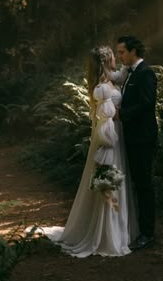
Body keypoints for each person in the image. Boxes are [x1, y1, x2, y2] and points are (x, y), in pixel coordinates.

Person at [41, 46, 138, 257]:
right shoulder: (102, 88)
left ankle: (120, 229)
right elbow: (105, 119)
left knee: (115, 182)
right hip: (109, 139)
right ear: (106, 61)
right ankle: (107, 233)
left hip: (116, 135)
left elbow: (122, 76)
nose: (116, 59)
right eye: (113, 56)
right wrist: (108, 143)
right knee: (110, 181)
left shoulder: (109, 82)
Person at [117, 35, 158, 250]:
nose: (120, 56)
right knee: (138, 184)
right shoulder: (128, 74)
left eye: (122, 52)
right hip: (132, 138)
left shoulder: (145, 73)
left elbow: (147, 104)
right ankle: (138, 228)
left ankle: (148, 233)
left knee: (144, 185)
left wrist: (121, 114)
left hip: (143, 138)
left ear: (134, 51)